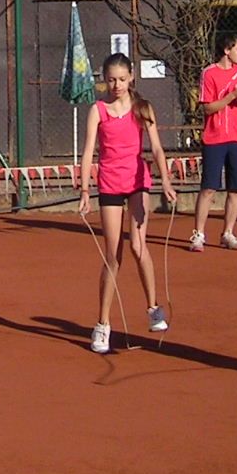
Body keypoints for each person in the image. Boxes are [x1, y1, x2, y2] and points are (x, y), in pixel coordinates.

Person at [78, 53, 179, 354]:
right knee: (113, 256)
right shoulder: (98, 111)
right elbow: (87, 153)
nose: (117, 85)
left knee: (139, 246)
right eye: (111, 80)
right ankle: (102, 325)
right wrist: (84, 190)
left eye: (122, 79)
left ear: (131, 77)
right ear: (104, 80)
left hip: (138, 182)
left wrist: (167, 182)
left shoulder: (142, 108)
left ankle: (153, 308)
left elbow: (158, 150)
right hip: (109, 182)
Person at [190, 32, 237, 251]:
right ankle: (198, 234)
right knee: (208, 188)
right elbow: (208, 107)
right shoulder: (209, 74)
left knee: (235, 189)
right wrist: (230, 96)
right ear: (227, 50)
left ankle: (228, 233)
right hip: (214, 137)